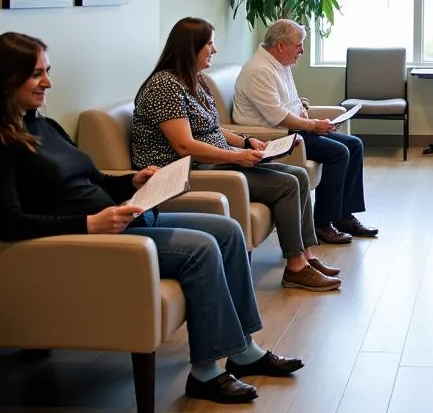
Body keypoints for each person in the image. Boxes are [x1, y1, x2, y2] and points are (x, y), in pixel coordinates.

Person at [0, 32, 303, 406]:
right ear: (5, 79)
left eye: (48, 71)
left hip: (120, 222)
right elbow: (7, 222)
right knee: (201, 249)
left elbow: (93, 178)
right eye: (36, 75)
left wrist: (132, 181)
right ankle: (206, 372)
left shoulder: (43, 125)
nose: (48, 82)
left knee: (228, 231)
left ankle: (244, 350)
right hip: (87, 242)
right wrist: (89, 225)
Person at [131, 18, 340, 292]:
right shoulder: (164, 87)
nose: (214, 51)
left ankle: (306, 257)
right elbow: (184, 146)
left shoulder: (194, 80)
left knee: (299, 175)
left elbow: (213, 127)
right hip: (187, 170)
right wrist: (235, 157)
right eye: (209, 44)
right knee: (287, 184)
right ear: (190, 48)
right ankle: (295, 268)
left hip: (215, 159)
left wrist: (245, 141)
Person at [232, 19, 377, 244]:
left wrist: (303, 109)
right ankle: (322, 223)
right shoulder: (259, 70)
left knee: (354, 144)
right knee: (338, 153)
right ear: (280, 45)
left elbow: (289, 100)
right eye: (299, 45)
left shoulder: (280, 63)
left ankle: (344, 215)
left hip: (292, 128)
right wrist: (314, 125)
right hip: (274, 136)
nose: (302, 50)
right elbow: (277, 116)